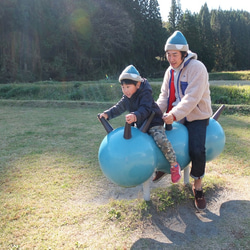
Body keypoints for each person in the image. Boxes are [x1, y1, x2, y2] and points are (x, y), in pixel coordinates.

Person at [155, 30, 213, 210]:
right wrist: (154, 113)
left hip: (197, 115)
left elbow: (191, 98)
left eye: (174, 55)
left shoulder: (197, 68)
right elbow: (164, 96)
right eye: (168, 55)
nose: (171, 59)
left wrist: (173, 115)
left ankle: (198, 187)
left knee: (197, 149)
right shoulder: (169, 72)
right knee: (163, 139)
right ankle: (165, 169)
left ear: (184, 54)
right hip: (177, 114)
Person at [99, 65, 181, 183]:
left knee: (160, 139)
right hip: (141, 124)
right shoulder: (128, 97)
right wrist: (107, 114)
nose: (125, 90)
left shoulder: (145, 94)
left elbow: (145, 109)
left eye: (128, 86)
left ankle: (174, 165)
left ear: (137, 85)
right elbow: (119, 107)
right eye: (123, 87)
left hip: (153, 122)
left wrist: (135, 116)